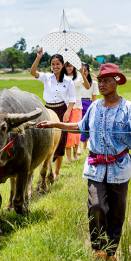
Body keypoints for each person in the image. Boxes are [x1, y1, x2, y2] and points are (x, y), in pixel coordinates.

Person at [36, 63, 131, 261]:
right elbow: (80, 127)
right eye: (100, 81)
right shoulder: (95, 107)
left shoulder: (128, 108)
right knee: (96, 205)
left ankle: (111, 251)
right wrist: (55, 124)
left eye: (106, 81)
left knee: (116, 211)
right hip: (96, 166)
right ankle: (98, 248)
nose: (102, 84)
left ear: (117, 82)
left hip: (119, 166)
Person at [30, 47, 75, 180]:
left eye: (58, 64)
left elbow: (72, 100)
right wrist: (38, 57)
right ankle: (43, 169)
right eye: (53, 64)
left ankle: (56, 172)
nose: (55, 66)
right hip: (47, 110)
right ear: (50, 66)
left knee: (61, 142)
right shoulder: (46, 77)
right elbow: (32, 72)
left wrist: (67, 113)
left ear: (62, 65)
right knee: (44, 139)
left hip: (61, 110)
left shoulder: (68, 81)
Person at [64, 62, 91, 163]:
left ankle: (75, 154)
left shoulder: (79, 76)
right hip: (65, 106)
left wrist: (83, 74)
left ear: (73, 66)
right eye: (66, 66)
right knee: (66, 132)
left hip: (76, 106)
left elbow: (87, 87)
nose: (68, 68)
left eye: (70, 66)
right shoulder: (62, 76)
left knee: (75, 131)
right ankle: (68, 157)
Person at [78, 63, 99, 155]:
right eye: (81, 70)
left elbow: (94, 97)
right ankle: (78, 146)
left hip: (88, 105)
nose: (83, 72)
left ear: (88, 71)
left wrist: (94, 109)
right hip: (78, 104)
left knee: (87, 126)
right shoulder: (77, 81)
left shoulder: (93, 83)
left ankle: (85, 145)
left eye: (85, 70)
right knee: (77, 125)